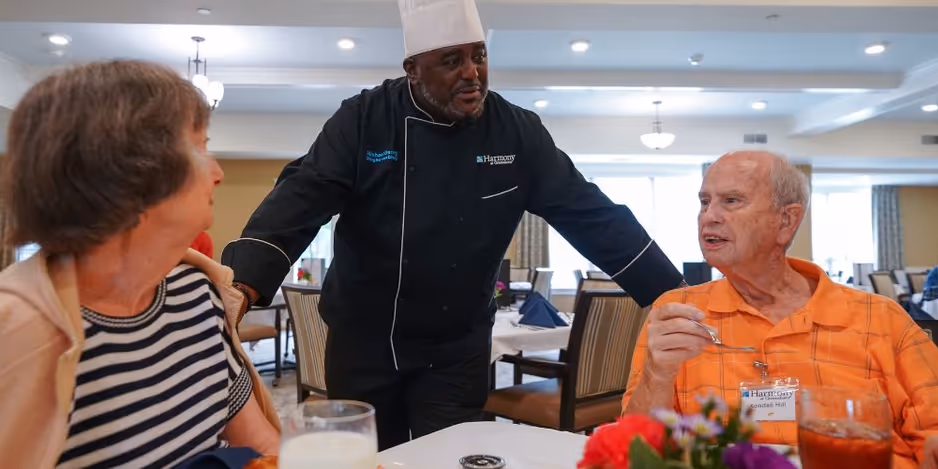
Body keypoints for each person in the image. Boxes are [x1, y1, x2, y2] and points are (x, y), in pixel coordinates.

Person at [221, 0, 683, 450]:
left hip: (455, 348)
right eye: (451, 60)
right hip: (363, 342)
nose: (472, 72)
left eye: (479, 56)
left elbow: (591, 214)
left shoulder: (516, 133)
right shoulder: (363, 120)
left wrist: (673, 292)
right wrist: (244, 284)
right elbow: (302, 196)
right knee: (365, 459)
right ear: (413, 69)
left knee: (447, 458)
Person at [0, 60, 280, 469]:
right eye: (200, 148)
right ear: (130, 174)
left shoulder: (196, 291)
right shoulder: (18, 333)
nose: (217, 173)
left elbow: (262, 444)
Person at [621, 150, 938, 468]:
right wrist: (657, 374)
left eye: (731, 201)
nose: (709, 217)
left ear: (786, 220)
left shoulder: (879, 318)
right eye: (704, 202)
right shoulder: (678, 312)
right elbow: (635, 448)